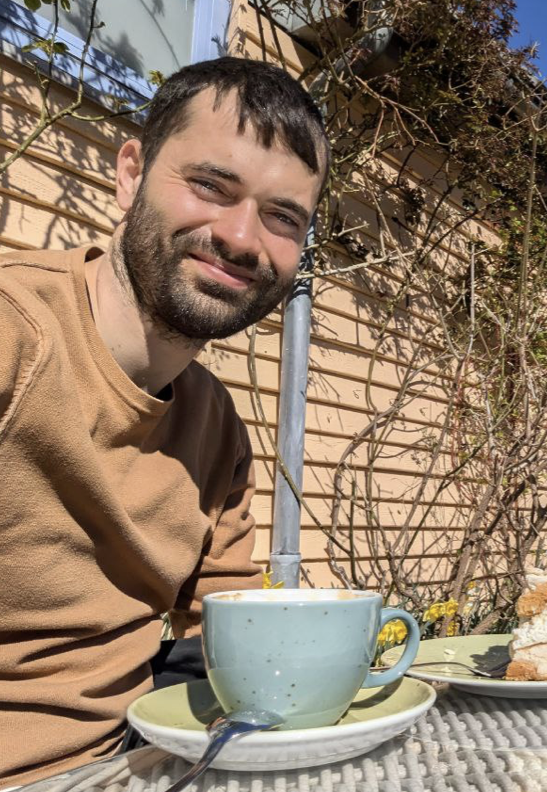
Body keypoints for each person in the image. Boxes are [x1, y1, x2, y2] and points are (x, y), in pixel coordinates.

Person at [0, 57, 330, 787]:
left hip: (130, 766)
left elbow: (219, 640)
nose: (243, 238)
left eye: (282, 218)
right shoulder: (16, 336)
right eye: (211, 186)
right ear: (130, 175)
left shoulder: (215, 428)